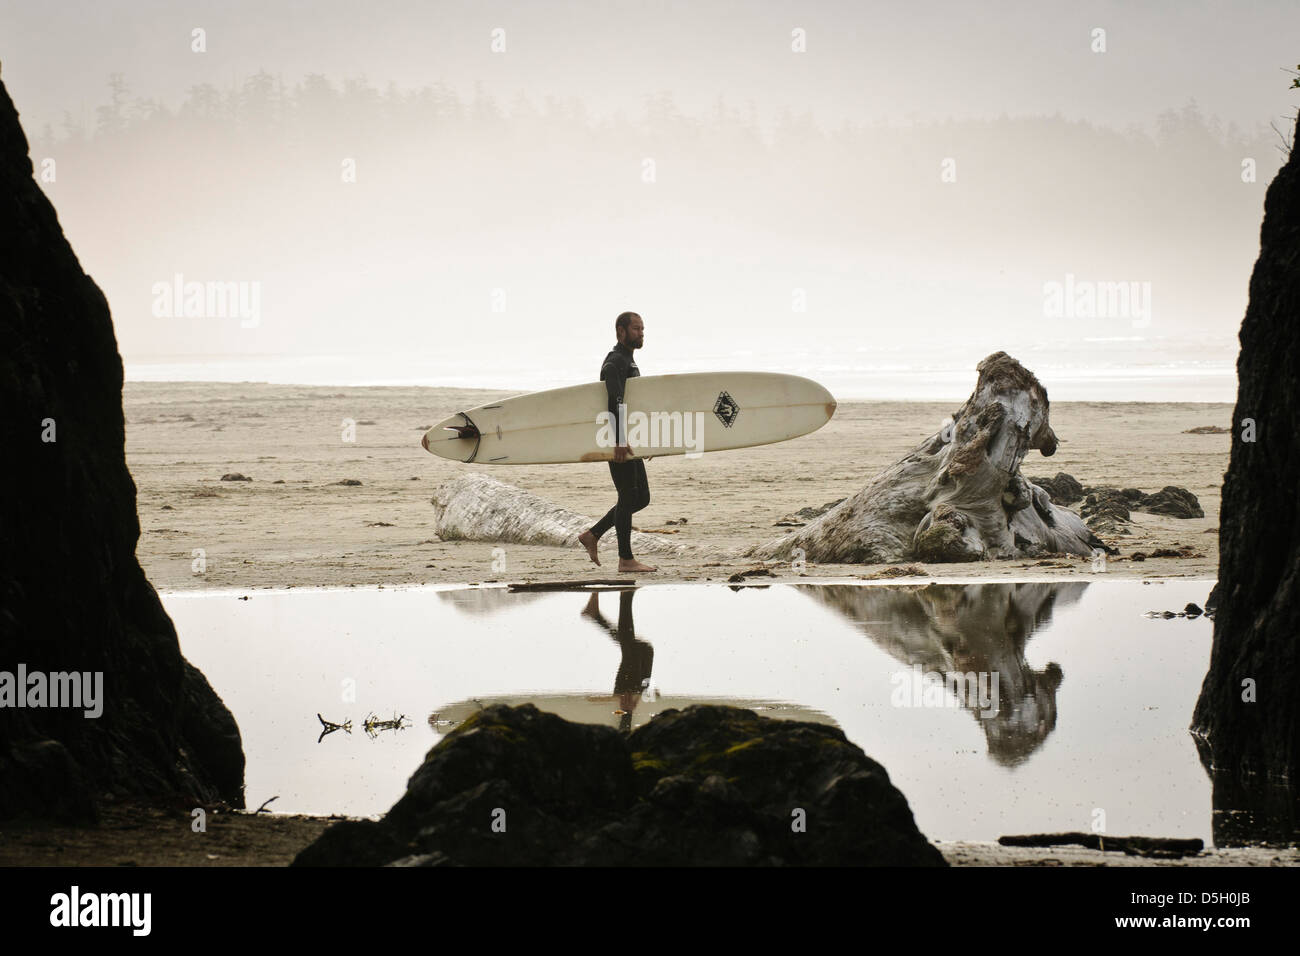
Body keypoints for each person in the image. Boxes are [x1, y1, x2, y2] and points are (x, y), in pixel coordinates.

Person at [578, 312, 657, 573]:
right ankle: (625, 559)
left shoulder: (628, 362)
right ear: (620, 331)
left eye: (643, 328)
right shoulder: (615, 363)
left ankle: (593, 534)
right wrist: (619, 440)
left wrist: (645, 440)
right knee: (627, 496)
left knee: (641, 497)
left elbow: (633, 404)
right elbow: (615, 402)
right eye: (636, 328)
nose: (641, 333)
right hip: (617, 440)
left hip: (628, 439)